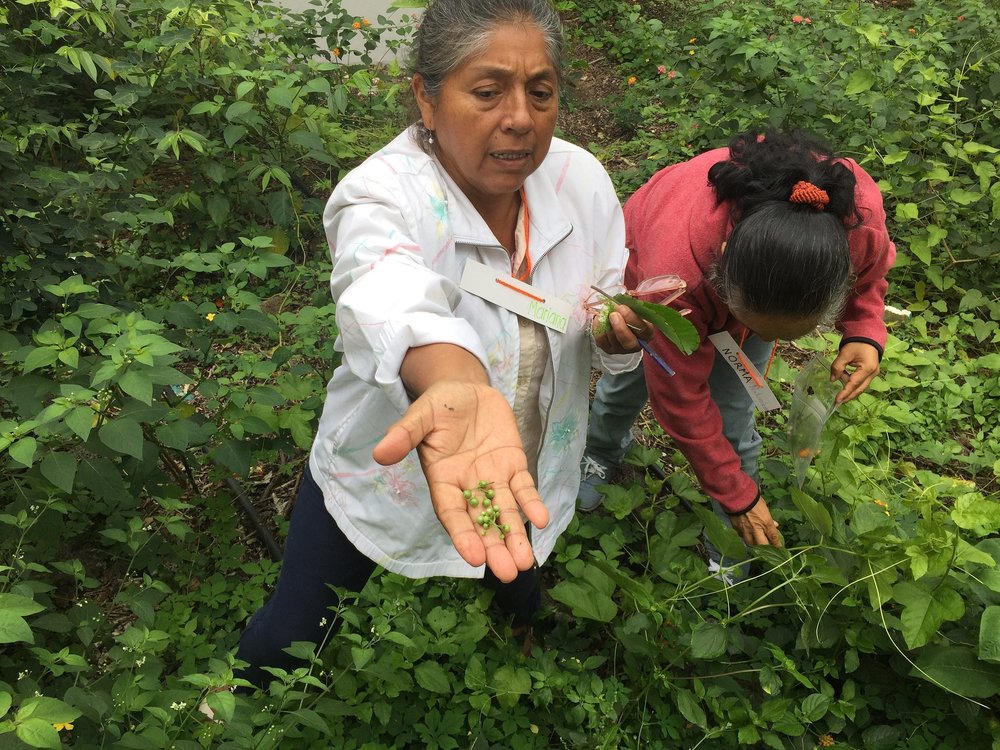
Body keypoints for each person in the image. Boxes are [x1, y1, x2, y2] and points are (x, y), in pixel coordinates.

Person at [231, 0, 647, 689]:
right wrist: (456, 381)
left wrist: (612, 325)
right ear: (425, 97)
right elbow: (385, 284)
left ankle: (515, 644)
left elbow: (599, 294)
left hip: (522, 467)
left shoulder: (581, 183)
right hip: (387, 470)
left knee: (518, 576)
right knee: (296, 627)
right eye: (487, 92)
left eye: (540, 92)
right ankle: (238, 704)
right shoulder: (383, 195)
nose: (520, 116)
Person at [578, 130, 896, 570]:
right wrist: (737, 494)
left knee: (734, 408)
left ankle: (727, 536)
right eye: (753, 324)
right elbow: (679, 397)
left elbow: (870, 274)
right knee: (629, 378)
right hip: (660, 276)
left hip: (750, 287)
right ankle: (602, 450)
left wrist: (863, 328)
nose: (766, 340)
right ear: (725, 263)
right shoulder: (675, 272)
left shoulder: (853, 217)